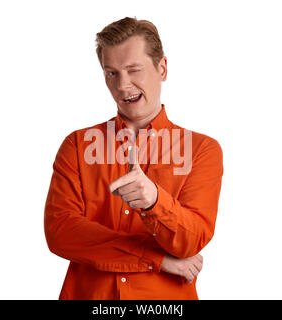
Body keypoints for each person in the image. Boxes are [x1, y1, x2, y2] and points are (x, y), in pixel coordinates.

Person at [44, 17, 223, 300]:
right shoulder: (77, 146)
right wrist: (157, 259)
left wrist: (154, 200)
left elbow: (191, 240)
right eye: (111, 73)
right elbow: (61, 232)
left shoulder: (202, 150)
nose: (122, 85)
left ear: (162, 68)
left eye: (133, 70)